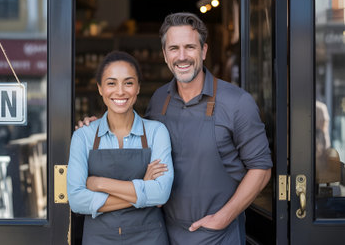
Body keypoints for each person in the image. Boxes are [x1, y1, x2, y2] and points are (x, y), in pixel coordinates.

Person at [77, 12, 272, 244]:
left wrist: (223, 218)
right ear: (164, 54)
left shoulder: (237, 102)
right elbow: (133, 133)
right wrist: (97, 125)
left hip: (217, 234)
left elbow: (261, 170)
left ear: (204, 50)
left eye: (190, 47)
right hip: (163, 231)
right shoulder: (160, 99)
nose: (182, 56)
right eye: (174, 48)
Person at [67, 51, 174, 244]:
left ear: (138, 88)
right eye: (111, 83)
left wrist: (99, 183)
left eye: (128, 82)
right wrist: (143, 186)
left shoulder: (156, 132)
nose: (120, 91)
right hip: (99, 238)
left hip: (149, 237)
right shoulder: (83, 136)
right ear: (100, 88)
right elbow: (76, 201)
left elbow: (161, 193)